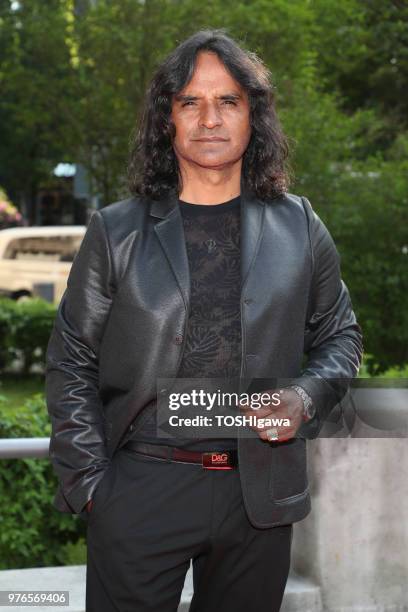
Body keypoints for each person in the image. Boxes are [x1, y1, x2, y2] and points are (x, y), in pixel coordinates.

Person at [45, 29, 363, 612]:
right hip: (141, 486)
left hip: (259, 493)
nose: (209, 118)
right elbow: (71, 363)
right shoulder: (116, 232)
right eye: (190, 101)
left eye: (228, 101)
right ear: (167, 119)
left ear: (253, 115)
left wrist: (305, 396)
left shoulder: (300, 225)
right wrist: (92, 488)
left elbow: (340, 336)